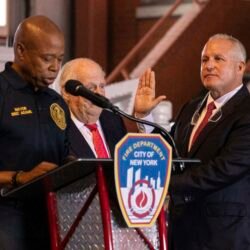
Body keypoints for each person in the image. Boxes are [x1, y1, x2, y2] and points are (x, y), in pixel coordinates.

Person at [140, 34, 250, 250]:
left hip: (224, 234)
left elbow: (224, 168)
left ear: (240, 68)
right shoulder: (192, 107)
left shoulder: (246, 111)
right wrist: (145, 117)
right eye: (204, 60)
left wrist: (164, 185)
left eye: (218, 59)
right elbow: (167, 152)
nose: (209, 65)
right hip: (182, 232)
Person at [0, 15, 70, 250]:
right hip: (8, 217)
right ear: (20, 51)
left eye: (60, 59)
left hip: (52, 217)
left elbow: (65, 155)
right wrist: (20, 178)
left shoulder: (57, 102)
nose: (55, 67)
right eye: (47, 58)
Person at [58, 57, 165, 158]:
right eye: (90, 88)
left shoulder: (113, 120)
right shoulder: (57, 131)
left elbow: (137, 161)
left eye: (102, 86)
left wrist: (143, 116)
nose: (99, 93)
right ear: (67, 92)